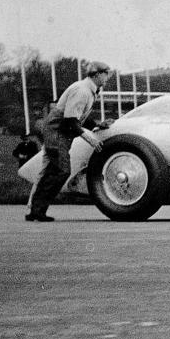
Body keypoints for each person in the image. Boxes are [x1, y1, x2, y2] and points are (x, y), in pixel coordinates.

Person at [27, 61, 112, 222]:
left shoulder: (89, 90)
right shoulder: (82, 91)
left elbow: (79, 117)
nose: (107, 77)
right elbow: (71, 121)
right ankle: (37, 210)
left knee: (51, 171)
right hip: (57, 132)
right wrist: (91, 140)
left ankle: (35, 210)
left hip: (59, 133)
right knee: (61, 170)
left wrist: (97, 125)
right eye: (106, 73)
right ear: (96, 74)